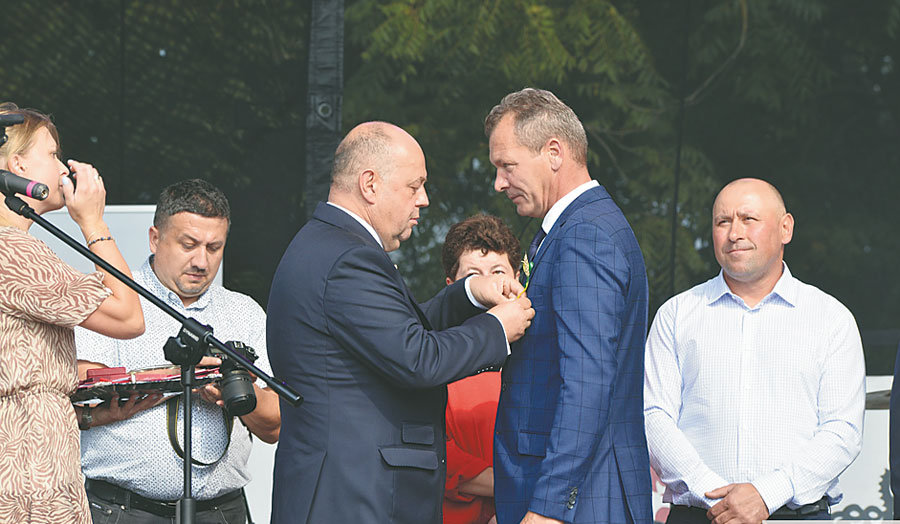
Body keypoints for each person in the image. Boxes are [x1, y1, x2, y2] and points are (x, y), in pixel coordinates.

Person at [267, 121, 535, 524]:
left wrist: (470, 293)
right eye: (414, 186)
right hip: (354, 499)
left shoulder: (328, 245)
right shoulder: (348, 258)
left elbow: (395, 335)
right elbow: (417, 358)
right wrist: (497, 327)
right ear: (370, 184)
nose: (423, 200)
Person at [644, 178, 865, 523]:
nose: (734, 233)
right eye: (723, 222)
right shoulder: (676, 315)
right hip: (700, 512)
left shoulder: (830, 319)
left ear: (785, 228)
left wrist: (766, 494)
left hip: (795, 514)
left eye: (748, 219)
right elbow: (653, 416)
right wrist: (717, 496)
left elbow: (843, 430)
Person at [487, 88, 652, 524]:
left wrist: (549, 507)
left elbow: (588, 379)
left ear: (554, 153)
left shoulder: (585, 234)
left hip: (581, 501)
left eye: (507, 166)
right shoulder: (574, 227)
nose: (499, 183)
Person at [75, 179, 280, 524]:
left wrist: (233, 388)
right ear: (155, 238)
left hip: (221, 512)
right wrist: (178, 377)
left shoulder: (244, 312)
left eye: (214, 248)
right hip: (123, 511)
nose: (201, 261)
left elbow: (274, 426)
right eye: (188, 245)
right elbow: (74, 387)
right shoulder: (114, 298)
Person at [0, 102, 144, 523]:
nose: (63, 167)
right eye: (52, 153)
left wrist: (84, 405)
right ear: (18, 165)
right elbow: (127, 315)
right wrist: (93, 222)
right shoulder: (15, 252)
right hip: (31, 473)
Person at [441, 214, 521, 524]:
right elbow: (436, 456)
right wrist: (516, 490)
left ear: (517, 278)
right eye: (474, 276)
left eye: (498, 272)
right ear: (452, 288)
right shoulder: (432, 359)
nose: (490, 285)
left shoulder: (543, 357)